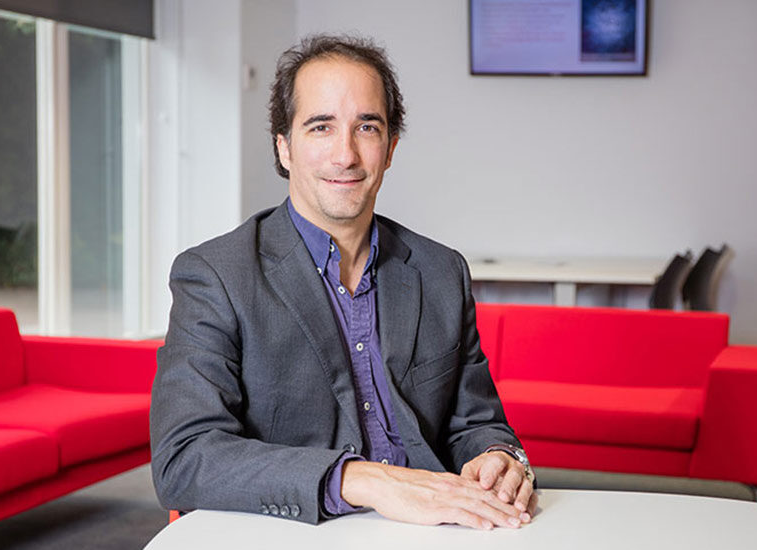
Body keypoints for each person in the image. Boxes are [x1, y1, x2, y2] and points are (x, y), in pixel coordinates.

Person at [150, 34, 538, 530]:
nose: (346, 154)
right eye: (321, 127)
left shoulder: (442, 272)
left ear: (391, 148)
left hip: (437, 530)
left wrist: (497, 456)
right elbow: (184, 457)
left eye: (367, 127)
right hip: (297, 531)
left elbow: (476, 422)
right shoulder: (216, 276)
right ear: (284, 147)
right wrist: (365, 480)